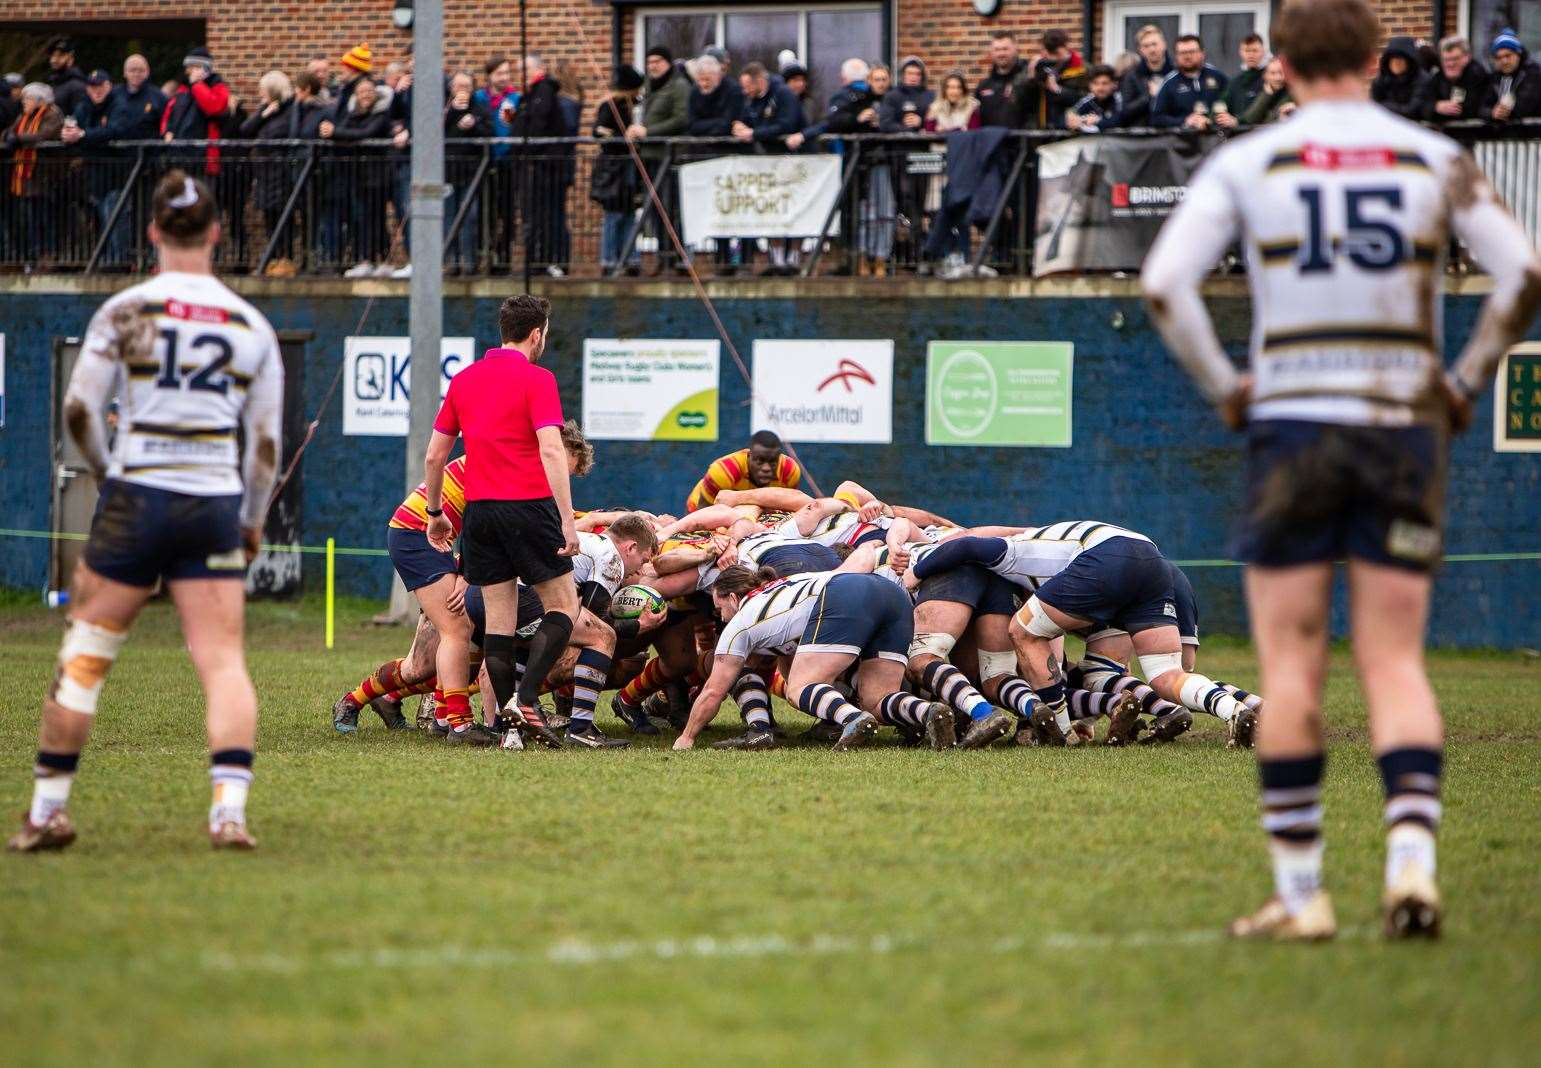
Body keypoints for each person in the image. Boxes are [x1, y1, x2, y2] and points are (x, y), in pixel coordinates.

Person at [1141, 0, 1541, 941]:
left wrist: (1228, 389)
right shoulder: (1430, 156)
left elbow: (1163, 285)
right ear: (1373, 58)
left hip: (1292, 421)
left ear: (1278, 63)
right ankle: (1410, 864)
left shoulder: (1249, 159)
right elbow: (1522, 272)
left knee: (1289, 663)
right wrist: (1464, 379)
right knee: (1394, 658)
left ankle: (1300, 891)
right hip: (1402, 420)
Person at [8, 170, 283, 853]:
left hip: (137, 494)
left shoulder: (127, 311)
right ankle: (227, 813)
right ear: (218, 233)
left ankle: (47, 812)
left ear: (154, 233)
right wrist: (250, 521)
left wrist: (108, 473)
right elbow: (266, 448)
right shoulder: (250, 324)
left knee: (87, 655)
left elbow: (77, 409)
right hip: (214, 501)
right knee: (222, 661)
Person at [424, 294, 580, 749]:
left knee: (498, 622)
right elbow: (552, 449)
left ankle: (509, 731)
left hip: (480, 513)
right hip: (528, 507)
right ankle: (524, 701)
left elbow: (435, 455)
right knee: (564, 607)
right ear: (537, 334)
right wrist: (567, 521)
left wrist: (436, 514)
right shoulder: (538, 378)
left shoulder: (465, 379)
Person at [673, 560, 955, 752]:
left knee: (800, 688)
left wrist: (687, 737)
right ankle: (928, 712)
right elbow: (790, 656)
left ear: (733, 598)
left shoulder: (739, 623)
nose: (720, 616)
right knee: (877, 699)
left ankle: (852, 719)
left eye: (719, 608)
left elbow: (713, 690)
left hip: (844, 594)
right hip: (890, 592)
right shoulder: (783, 587)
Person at [62, 56, 165, 269]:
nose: (97, 91)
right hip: (97, 173)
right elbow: (81, 129)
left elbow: (115, 130)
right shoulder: (87, 106)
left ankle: (122, 261)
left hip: (128, 169)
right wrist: (71, 134)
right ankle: (111, 259)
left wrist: (84, 136)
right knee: (104, 217)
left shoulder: (124, 103)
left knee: (119, 214)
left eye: (100, 86)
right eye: (92, 87)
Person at [627, 46, 691, 275]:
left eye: (657, 61)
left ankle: (678, 258)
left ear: (668, 62)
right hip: (649, 157)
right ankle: (663, 257)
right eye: (649, 61)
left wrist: (649, 131)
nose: (652, 65)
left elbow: (682, 118)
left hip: (668, 158)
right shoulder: (650, 88)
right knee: (654, 210)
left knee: (671, 208)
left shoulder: (678, 86)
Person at [320, 75, 392, 277]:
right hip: (358, 175)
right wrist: (336, 132)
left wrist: (336, 132)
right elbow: (348, 134)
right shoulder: (352, 115)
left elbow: (365, 134)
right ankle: (366, 259)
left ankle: (382, 259)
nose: (365, 96)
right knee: (362, 219)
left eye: (369, 91)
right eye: (361, 92)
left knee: (376, 218)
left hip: (378, 175)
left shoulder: (381, 114)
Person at [511, 53, 572, 276]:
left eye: (523, 70)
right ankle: (536, 260)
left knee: (545, 215)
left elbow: (539, 124)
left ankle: (547, 260)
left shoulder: (543, 92)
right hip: (531, 165)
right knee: (533, 216)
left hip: (544, 167)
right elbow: (515, 124)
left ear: (537, 70)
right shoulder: (525, 97)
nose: (520, 75)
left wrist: (526, 146)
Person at [922, 71, 981, 275]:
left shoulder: (972, 107)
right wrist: (957, 131)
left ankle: (965, 257)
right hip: (939, 167)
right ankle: (943, 258)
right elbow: (929, 132)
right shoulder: (935, 108)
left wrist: (945, 133)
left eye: (957, 87)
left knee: (961, 214)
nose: (953, 91)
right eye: (950, 87)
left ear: (963, 89)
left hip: (962, 166)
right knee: (939, 213)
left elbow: (972, 133)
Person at [4, 84, 64, 264]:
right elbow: (11, 131)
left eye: (27, 99)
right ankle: (36, 254)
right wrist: (9, 136)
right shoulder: (24, 116)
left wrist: (19, 139)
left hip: (45, 174)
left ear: (39, 101)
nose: (23, 102)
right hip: (27, 178)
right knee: (32, 218)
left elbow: (44, 135)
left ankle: (49, 254)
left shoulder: (52, 114)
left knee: (45, 218)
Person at [593, 64, 644, 276]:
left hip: (628, 167)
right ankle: (610, 259)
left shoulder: (636, 105)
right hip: (614, 169)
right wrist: (625, 140)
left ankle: (629, 258)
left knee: (629, 214)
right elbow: (600, 134)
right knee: (614, 215)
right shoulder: (611, 106)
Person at [444, 70, 491, 274]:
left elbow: (490, 130)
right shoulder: (444, 108)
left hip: (472, 172)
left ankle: (469, 262)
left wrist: (475, 124)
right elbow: (435, 131)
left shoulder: (479, 107)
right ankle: (451, 261)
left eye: (466, 87)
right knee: (448, 217)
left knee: (470, 217)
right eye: (458, 87)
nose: (462, 91)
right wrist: (453, 111)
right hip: (447, 171)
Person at [685, 430, 803, 512]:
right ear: (749, 456)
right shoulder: (723, 471)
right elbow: (703, 514)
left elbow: (788, 508)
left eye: (772, 462)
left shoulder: (790, 471)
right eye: (760, 461)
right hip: (702, 508)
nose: (766, 468)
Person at [161, 47, 231, 179]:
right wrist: (167, 131)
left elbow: (213, 107)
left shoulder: (218, 87)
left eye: (192, 67)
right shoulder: (182, 90)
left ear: (204, 68)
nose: (188, 71)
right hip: (179, 155)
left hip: (202, 156)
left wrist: (197, 85)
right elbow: (170, 115)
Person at [1150, 34, 1229, 128]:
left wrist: (1228, 120)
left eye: (1191, 52)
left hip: (1219, 139)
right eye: (1182, 53)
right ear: (1176, 56)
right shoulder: (1169, 83)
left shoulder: (1217, 77)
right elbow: (1156, 118)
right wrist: (1185, 121)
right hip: (1182, 140)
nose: (1187, 56)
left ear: (1202, 53)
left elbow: (1236, 107)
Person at [1420, 35, 1491, 123]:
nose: (1450, 64)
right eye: (1446, 59)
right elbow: (1422, 105)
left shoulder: (1478, 76)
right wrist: (1436, 107)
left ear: (1467, 57)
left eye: (1455, 59)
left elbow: (1475, 109)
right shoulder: (1437, 77)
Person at [1029, 28, 1088, 129]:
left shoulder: (1081, 68)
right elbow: (1024, 96)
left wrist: (1057, 89)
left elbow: (1085, 99)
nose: (1054, 58)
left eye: (1057, 53)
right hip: (1041, 130)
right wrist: (1031, 76)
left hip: (1069, 130)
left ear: (1066, 47)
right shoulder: (1041, 66)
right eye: (1050, 53)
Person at [1119, 24, 1175, 126]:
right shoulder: (1132, 77)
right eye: (1146, 46)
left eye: (1154, 44)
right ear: (1141, 50)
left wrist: (1162, 94)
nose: (1152, 50)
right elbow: (1125, 112)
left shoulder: (1175, 74)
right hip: (1141, 136)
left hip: (1171, 134)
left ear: (1164, 45)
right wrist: (1148, 97)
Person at [1482, 28, 1541, 123]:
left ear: (1518, 55)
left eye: (1508, 56)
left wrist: (1505, 111)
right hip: (1501, 134)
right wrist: (1491, 113)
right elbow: (1482, 107)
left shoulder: (1533, 73)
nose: (1504, 61)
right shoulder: (1494, 78)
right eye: (1499, 57)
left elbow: (1528, 104)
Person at [977, 31, 1033, 128]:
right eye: (997, 49)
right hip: (992, 142)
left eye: (1005, 49)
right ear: (991, 52)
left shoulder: (1029, 80)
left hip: (1023, 141)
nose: (1001, 53)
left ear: (1015, 49)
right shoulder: (984, 86)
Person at [1372, 36, 1431, 118]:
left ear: (1409, 60)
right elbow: (1373, 108)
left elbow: (1412, 110)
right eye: (1392, 59)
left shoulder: (1422, 79)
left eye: (1400, 58)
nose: (1396, 63)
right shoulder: (1381, 79)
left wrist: (1385, 106)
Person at [1066, 64, 1124, 131]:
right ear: (1090, 85)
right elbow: (1072, 115)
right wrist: (1077, 120)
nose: (1100, 88)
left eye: (1105, 83)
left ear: (1114, 84)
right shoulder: (1089, 100)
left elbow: (1119, 121)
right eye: (1095, 83)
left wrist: (1098, 121)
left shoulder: (1119, 99)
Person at [1223, 33, 1269, 117]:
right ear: (1240, 52)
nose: (1251, 55)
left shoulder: (1272, 77)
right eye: (1247, 51)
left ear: (1263, 51)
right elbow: (1221, 106)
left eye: (1255, 51)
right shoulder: (1235, 82)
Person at [45, 37, 88, 122]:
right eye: (52, 55)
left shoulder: (77, 86)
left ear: (71, 59)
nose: (54, 60)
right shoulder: (53, 82)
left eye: (60, 56)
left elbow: (79, 118)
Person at [1241, 57, 1295, 124]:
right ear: (1265, 76)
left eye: (1281, 73)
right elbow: (1249, 119)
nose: (1277, 78)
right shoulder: (1256, 91)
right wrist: (1266, 95)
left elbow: (1271, 121)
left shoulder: (1293, 94)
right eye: (1273, 73)